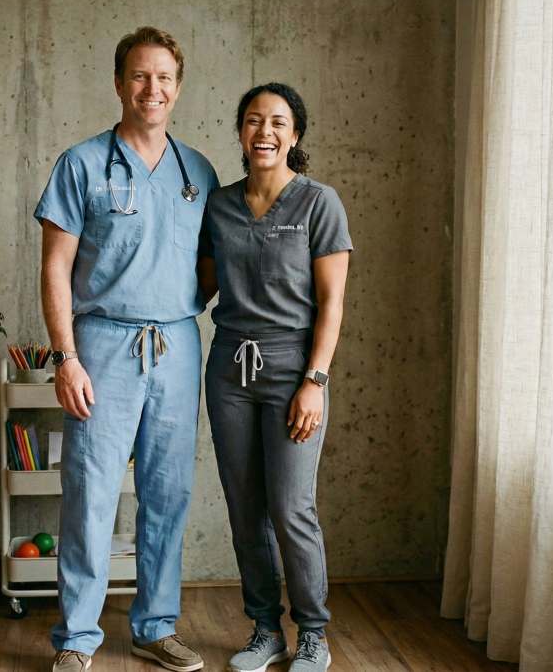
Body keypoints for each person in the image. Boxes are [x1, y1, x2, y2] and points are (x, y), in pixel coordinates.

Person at [34, 26, 220, 672]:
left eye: (164, 77)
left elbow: (209, 264)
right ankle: (78, 639)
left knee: (167, 494)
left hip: (176, 346)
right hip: (103, 347)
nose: (152, 89)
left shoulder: (197, 171)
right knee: (90, 493)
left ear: (178, 86)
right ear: (118, 83)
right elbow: (54, 269)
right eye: (140, 76)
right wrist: (65, 357)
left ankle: (154, 626)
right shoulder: (80, 164)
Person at [197, 82, 352, 672]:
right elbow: (201, 286)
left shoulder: (319, 203)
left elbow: (332, 303)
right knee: (245, 507)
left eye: (278, 122)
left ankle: (313, 632)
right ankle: (265, 630)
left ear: (296, 135)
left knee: (291, 507)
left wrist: (316, 378)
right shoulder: (220, 205)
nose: (265, 132)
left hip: (293, 368)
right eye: (254, 121)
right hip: (230, 367)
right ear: (240, 131)